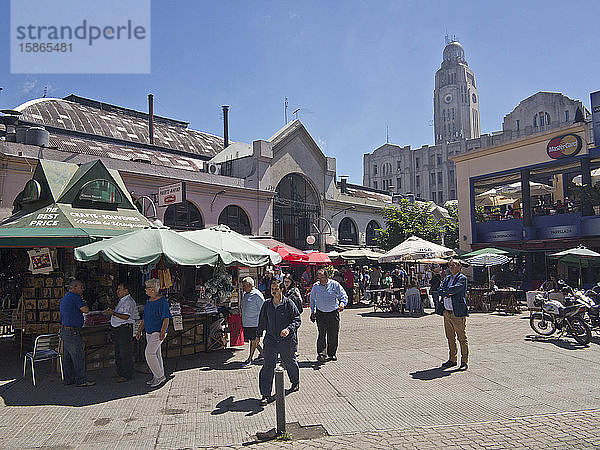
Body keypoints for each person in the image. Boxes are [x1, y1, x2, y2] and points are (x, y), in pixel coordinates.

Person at [257, 279, 301, 406]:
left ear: (282, 290)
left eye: (276, 288)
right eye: (272, 289)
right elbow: (262, 321)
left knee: (290, 362)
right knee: (268, 365)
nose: (273, 291)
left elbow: (297, 320)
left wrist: (288, 329)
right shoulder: (267, 304)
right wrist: (258, 335)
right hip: (271, 339)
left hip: (286, 341)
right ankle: (265, 394)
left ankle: (295, 382)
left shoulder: (289, 304)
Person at [136, 278, 172, 387]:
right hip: (150, 331)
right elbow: (145, 317)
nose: (145, 290)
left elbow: (166, 318)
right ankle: (157, 376)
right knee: (156, 354)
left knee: (149, 353)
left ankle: (160, 376)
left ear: (152, 289)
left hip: (158, 331)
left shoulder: (162, 301)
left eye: (147, 288)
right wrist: (139, 330)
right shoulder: (149, 301)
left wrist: (162, 332)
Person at [60, 280, 95, 387]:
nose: (82, 289)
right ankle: (81, 380)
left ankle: (69, 379)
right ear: (74, 288)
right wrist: (83, 300)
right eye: (81, 287)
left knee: (67, 357)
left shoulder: (66, 297)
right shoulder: (75, 297)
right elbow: (86, 310)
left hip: (65, 331)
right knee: (78, 356)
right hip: (72, 331)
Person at [436, 259, 469, 370]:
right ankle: (452, 359)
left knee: (462, 338)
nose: (451, 267)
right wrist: (447, 292)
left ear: (460, 266)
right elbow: (439, 290)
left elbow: (455, 289)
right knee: (450, 337)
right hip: (447, 312)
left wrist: (447, 291)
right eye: (450, 265)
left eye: (454, 265)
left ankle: (464, 361)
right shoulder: (447, 278)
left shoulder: (462, 278)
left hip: (457, 312)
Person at [309, 269, 348, 362]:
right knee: (321, 334)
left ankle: (332, 353)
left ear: (327, 277)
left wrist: (342, 304)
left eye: (322, 277)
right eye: (319, 278)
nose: (320, 280)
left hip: (333, 312)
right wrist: (313, 311)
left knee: (333, 334)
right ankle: (321, 353)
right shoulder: (316, 286)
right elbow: (312, 299)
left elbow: (343, 295)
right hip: (320, 313)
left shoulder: (335, 284)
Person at [104, 281, 138, 382]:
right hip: (118, 328)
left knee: (125, 352)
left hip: (124, 328)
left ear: (126, 291)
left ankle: (127, 374)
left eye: (120, 289)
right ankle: (120, 371)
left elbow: (126, 316)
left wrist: (113, 313)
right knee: (118, 351)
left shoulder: (129, 301)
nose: (117, 291)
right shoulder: (122, 300)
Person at [240, 277, 265, 368]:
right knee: (253, 340)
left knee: (253, 341)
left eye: (245, 285)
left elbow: (263, 308)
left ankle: (250, 359)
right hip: (247, 322)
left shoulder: (257, 295)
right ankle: (263, 353)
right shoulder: (245, 294)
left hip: (255, 322)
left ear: (251, 285)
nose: (243, 287)